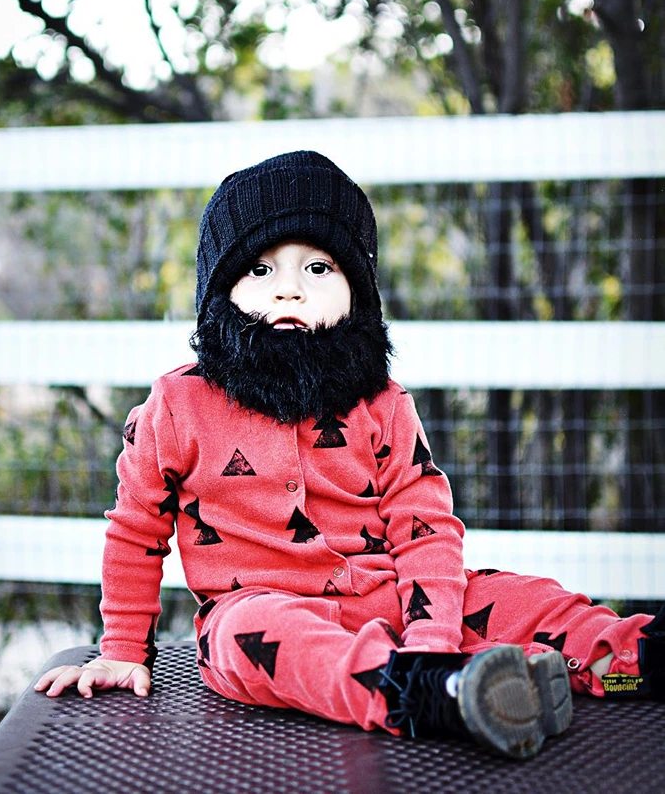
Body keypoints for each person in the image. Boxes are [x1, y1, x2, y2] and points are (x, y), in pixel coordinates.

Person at [35, 151, 664, 759]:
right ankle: (431, 693)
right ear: (219, 291)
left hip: (395, 597)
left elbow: (427, 531)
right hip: (258, 610)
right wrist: (121, 647)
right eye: (259, 270)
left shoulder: (382, 404)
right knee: (259, 642)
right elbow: (135, 528)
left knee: (523, 598)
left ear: (356, 291)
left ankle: (627, 661)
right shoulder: (180, 403)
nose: (288, 290)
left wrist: (433, 636)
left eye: (317, 268)